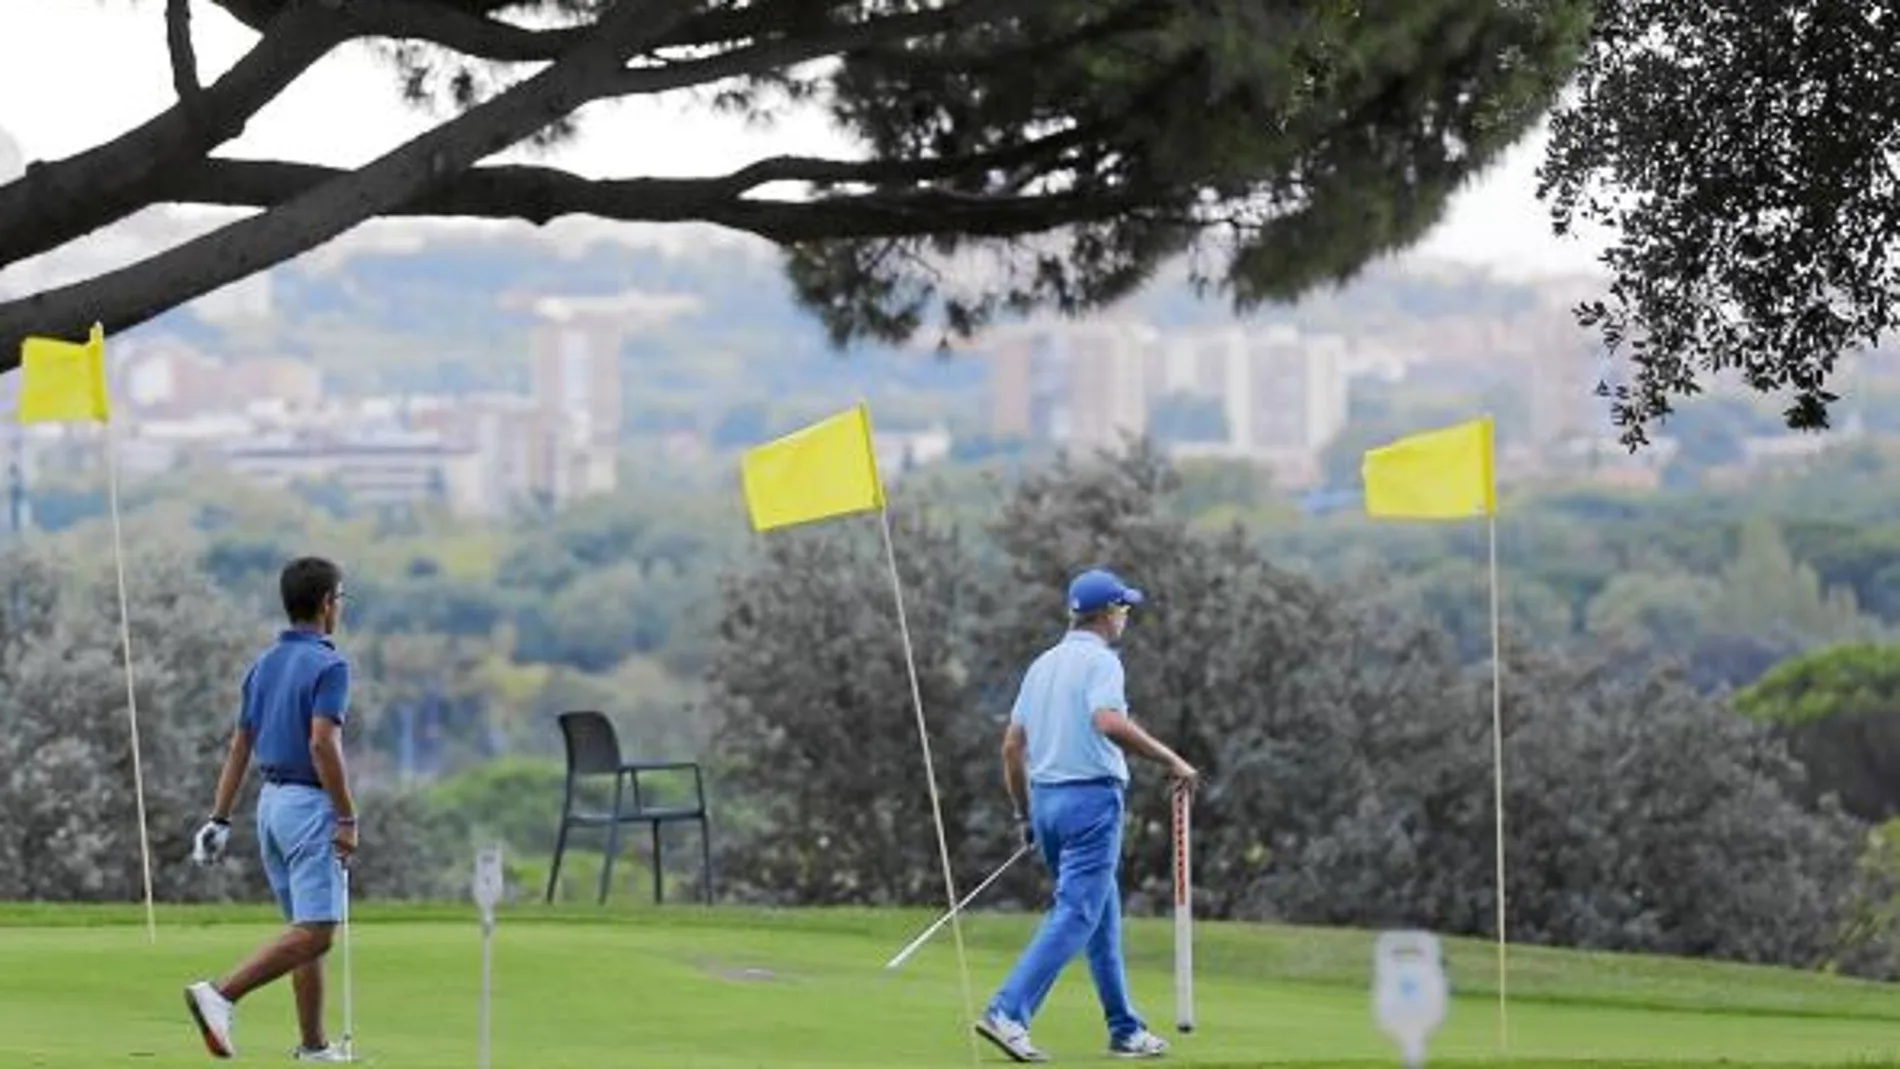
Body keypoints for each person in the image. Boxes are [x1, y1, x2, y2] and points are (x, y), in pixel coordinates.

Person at [974, 567, 1199, 1063]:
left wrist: (1025, 815)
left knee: (1100, 916)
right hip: (1091, 803)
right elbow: (1107, 721)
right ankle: (1007, 1010)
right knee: (1077, 912)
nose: (1127, 619)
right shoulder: (1103, 663)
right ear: (1110, 613)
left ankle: (1124, 1028)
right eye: (1125, 609)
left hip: (1048, 803)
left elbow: (1012, 747)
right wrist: (1170, 759)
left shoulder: (1043, 665)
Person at [183, 556, 358, 1063]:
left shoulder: (264, 664)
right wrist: (346, 817)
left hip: (270, 807)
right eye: (340, 599)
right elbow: (323, 744)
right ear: (327, 605)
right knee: (317, 931)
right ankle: (221, 994)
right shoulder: (330, 665)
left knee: (304, 930)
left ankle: (313, 1047)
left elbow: (240, 745)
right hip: (307, 806)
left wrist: (218, 818)